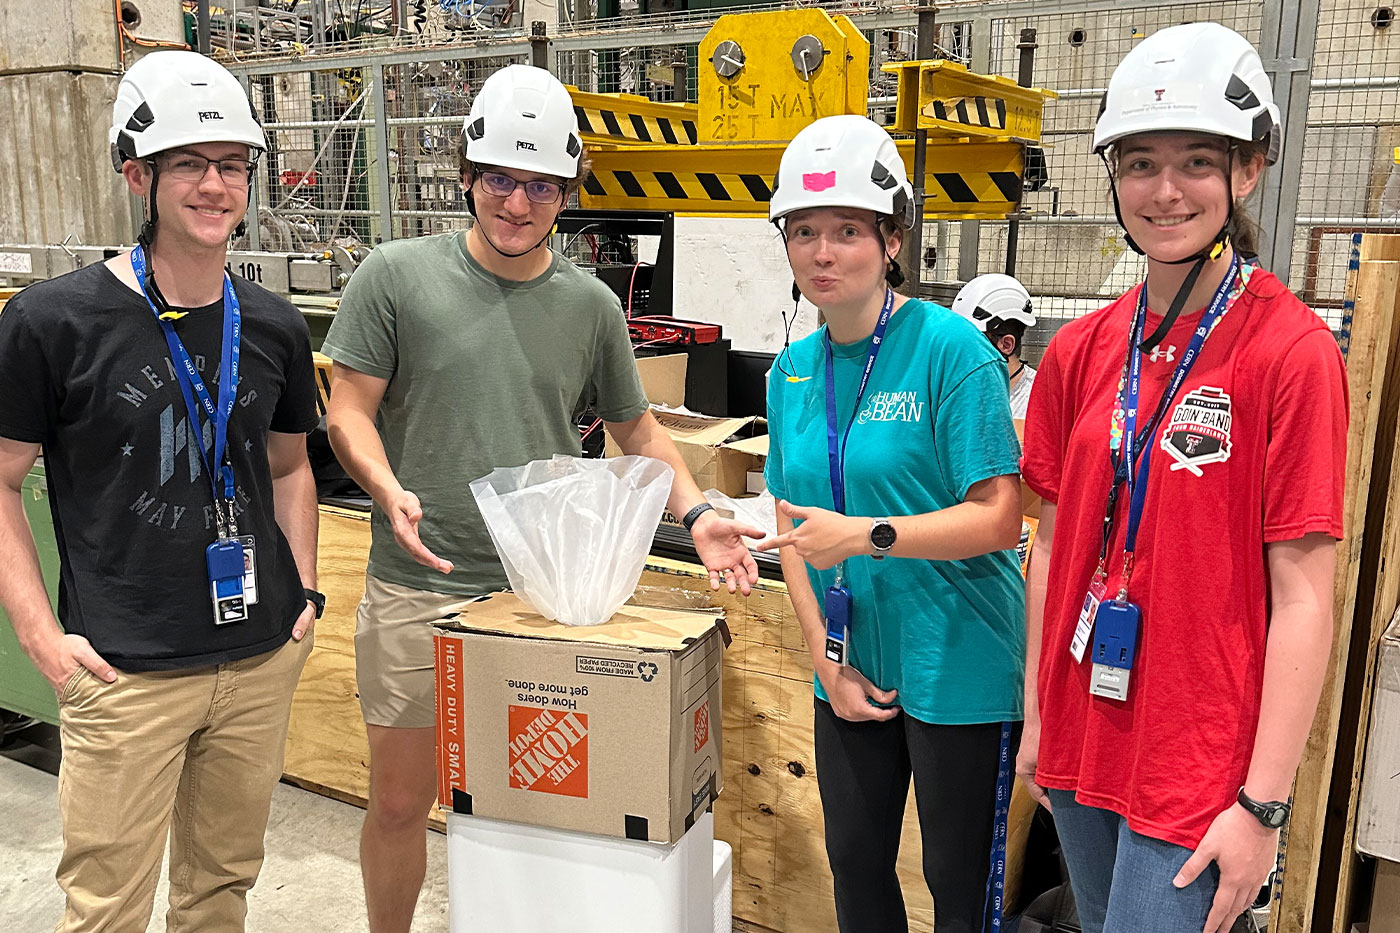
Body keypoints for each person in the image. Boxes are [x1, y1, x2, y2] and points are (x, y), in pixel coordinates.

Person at [321, 63, 764, 933]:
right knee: (403, 802)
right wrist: (388, 487)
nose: (516, 203)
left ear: (566, 190)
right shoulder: (396, 276)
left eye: (539, 185)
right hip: (421, 588)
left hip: (544, 604)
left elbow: (638, 433)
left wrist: (702, 515)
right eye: (498, 178)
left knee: (540, 813)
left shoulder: (591, 306)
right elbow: (348, 411)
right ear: (466, 174)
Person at [1017, 23, 1347, 933]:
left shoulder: (1292, 352)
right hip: (1083, 738)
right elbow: (1051, 548)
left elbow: (1307, 595)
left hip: (1196, 765)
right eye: (1140, 164)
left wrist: (1265, 806)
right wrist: (1038, 721)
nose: (1166, 191)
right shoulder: (1081, 350)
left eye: (1198, 161)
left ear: (1248, 170)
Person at [0, 50, 322, 931]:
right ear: (138, 174)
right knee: (105, 908)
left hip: (258, 659)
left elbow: (291, 468)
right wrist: (42, 637)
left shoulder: (274, 323)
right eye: (190, 163)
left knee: (221, 894)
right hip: (123, 669)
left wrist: (304, 595)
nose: (215, 185)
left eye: (232, 165)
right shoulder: (51, 321)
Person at [755, 114, 1027, 933]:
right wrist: (821, 657)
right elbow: (791, 516)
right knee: (858, 867)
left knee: (955, 880)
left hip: (960, 659)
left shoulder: (952, 351)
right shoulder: (792, 368)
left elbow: (1001, 515)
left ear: (893, 239)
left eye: (846, 230)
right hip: (851, 660)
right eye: (805, 232)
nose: (824, 252)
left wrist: (870, 533)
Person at [951, 273, 1038, 418]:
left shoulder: (1036, 400)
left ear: (1006, 344)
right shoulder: (955, 389)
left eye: (971, 340)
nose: (959, 349)